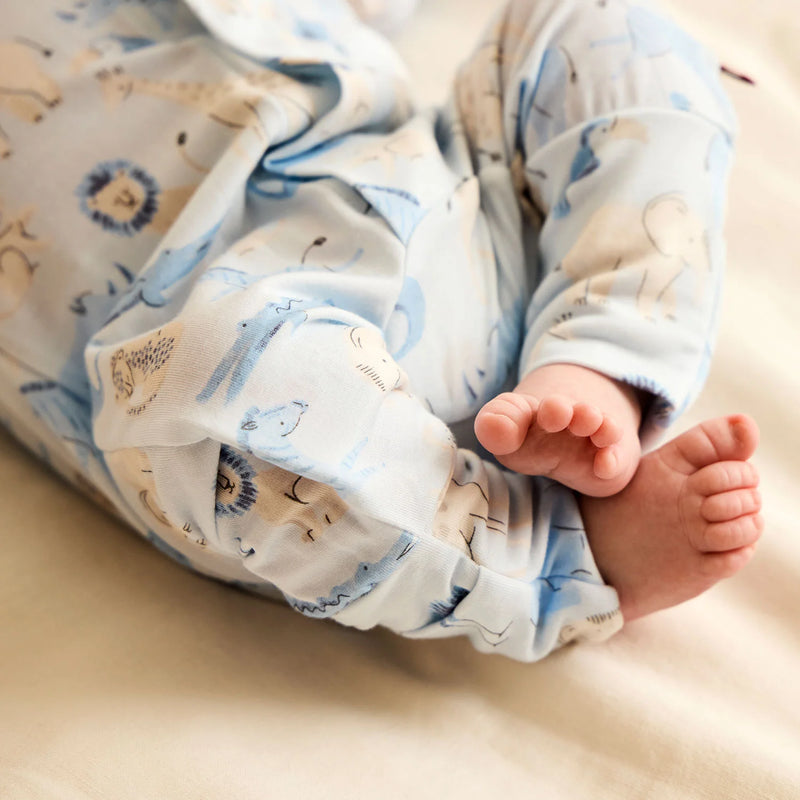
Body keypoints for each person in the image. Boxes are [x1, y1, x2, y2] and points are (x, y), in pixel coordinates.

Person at [0, 0, 762, 661]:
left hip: (460, 198)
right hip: (223, 344)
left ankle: (601, 355)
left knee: (598, 25)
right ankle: (551, 556)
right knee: (229, 391)